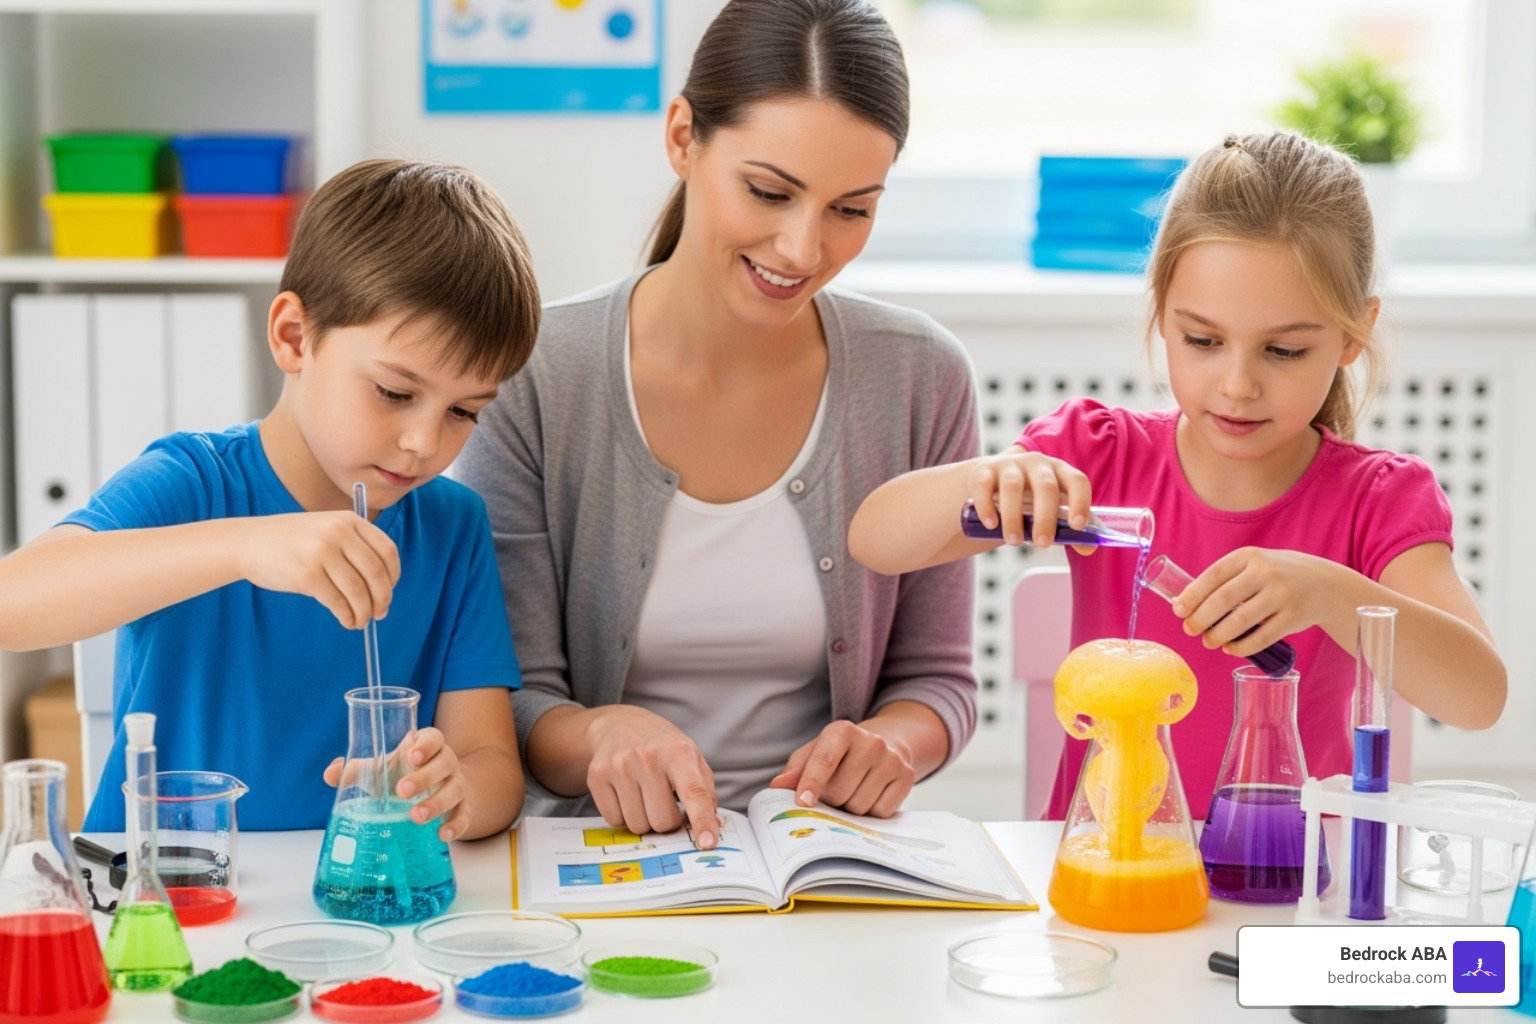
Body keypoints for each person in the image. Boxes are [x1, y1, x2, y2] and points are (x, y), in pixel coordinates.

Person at [848, 131, 1507, 819]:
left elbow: (1479, 697)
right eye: (1203, 340)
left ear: (1351, 336)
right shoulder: (1094, 455)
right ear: (1163, 311)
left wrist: (1332, 596)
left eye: (1283, 350)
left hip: (1285, 888)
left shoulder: (1376, 500)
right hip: (1101, 876)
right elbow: (874, 539)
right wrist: (994, 478)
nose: (1238, 384)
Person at [456, 0, 978, 849]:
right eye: (769, 192)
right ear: (682, 138)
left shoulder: (921, 377)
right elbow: (504, 697)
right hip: (599, 865)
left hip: (830, 863)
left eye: (852, 209)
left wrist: (892, 745)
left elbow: (937, 680)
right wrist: (599, 735)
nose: (804, 249)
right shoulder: (533, 369)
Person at [0, 159, 541, 837]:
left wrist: (456, 791)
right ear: (293, 336)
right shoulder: (194, 482)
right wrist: (247, 545)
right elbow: (11, 603)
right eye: (395, 393)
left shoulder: (453, 528)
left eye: (465, 412)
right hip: (163, 896)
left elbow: (492, 766)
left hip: (349, 904)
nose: (423, 443)